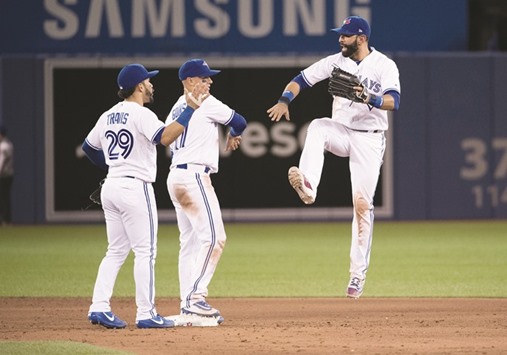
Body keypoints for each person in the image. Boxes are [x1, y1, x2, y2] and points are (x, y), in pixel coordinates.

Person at [267, 16, 401, 299]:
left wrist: (370, 98)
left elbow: (394, 101)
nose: (341, 39)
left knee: (362, 206)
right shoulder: (335, 62)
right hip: (341, 130)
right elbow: (300, 79)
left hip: (370, 136)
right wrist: (284, 100)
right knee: (317, 126)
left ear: (361, 38)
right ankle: (308, 186)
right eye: (340, 34)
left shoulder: (384, 65)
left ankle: (356, 277)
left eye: (346, 35)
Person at [81, 63, 209, 329]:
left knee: (115, 251)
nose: (151, 84)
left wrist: (114, 165)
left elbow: (89, 147)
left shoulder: (108, 115)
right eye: (148, 81)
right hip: (134, 188)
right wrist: (190, 110)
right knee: (145, 252)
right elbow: (165, 138)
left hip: (112, 185)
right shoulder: (141, 113)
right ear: (139, 86)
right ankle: (146, 312)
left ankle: (99, 306)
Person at [165, 59, 246, 326]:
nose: (209, 81)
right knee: (215, 238)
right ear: (190, 81)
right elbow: (240, 120)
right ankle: (195, 298)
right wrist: (233, 132)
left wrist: (233, 131)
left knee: (188, 244)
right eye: (204, 77)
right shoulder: (207, 103)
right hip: (194, 177)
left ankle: (187, 305)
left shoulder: (176, 107)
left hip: (176, 175)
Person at [0, 126, 14, 225]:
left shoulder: (3, 146)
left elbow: (1, 161)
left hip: (3, 176)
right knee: (5, 198)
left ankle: (5, 220)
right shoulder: (9, 144)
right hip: (8, 175)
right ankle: (6, 220)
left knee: (3, 198)